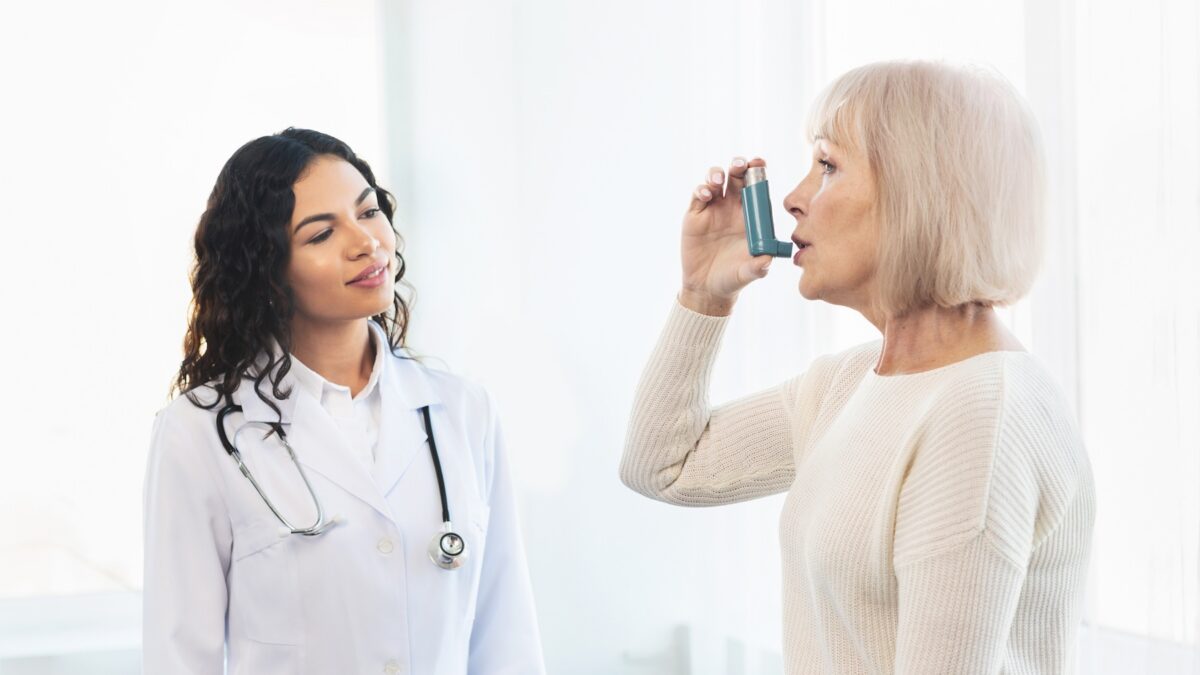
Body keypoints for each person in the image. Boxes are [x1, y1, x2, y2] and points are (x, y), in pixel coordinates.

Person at [621, 61, 1095, 673]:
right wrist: (703, 295)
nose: (792, 199)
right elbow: (664, 467)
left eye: (827, 166)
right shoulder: (846, 384)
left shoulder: (981, 417)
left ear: (918, 194)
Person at [143, 128, 544, 674]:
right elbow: (180, 656)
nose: (366, 243)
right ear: (267, 268)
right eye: (321, 234)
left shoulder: (463, 411)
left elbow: (507, 640)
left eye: (369, 212)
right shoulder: (201, 432)